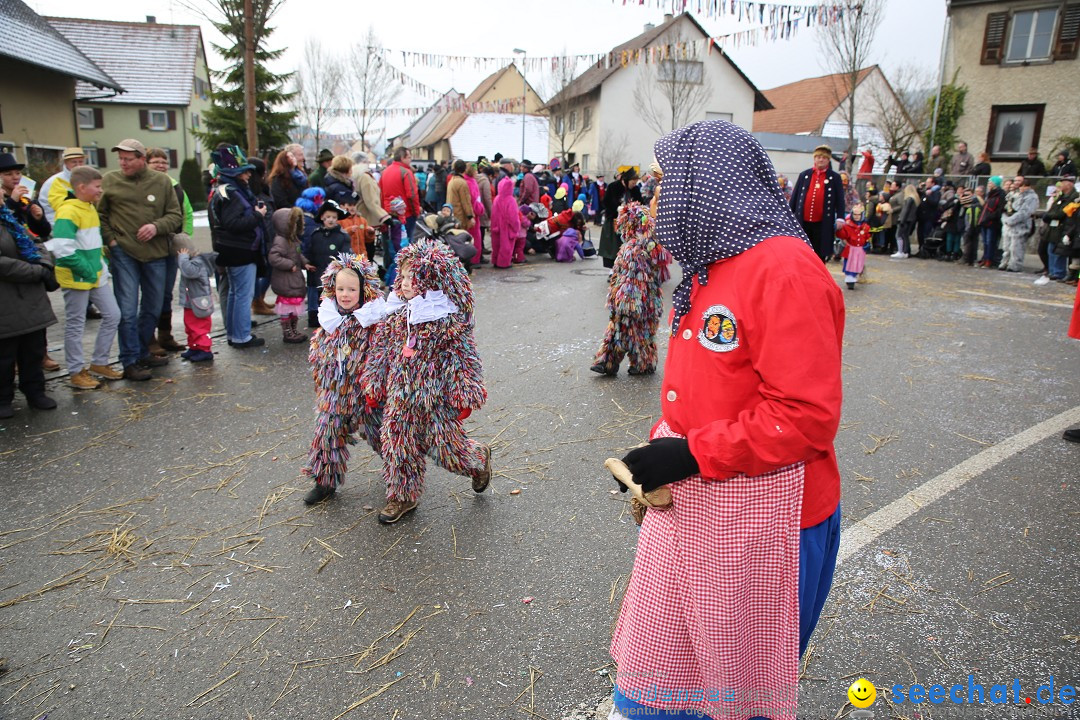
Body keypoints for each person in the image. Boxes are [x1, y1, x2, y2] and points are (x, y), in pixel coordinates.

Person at [608, 121, 843, 720]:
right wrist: (657, 456)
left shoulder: (783, 269)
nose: (657, 201)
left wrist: (690, 455)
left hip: (769, 524)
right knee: (655, 687)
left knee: (735, 697)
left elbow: (806, 416)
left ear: (708, 184)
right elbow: (711, 390)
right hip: (702, 507)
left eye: (668, 183)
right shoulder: (715, 260)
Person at [360, 240, 492, 524]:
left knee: (446, 449)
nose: (405, 283)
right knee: (398, 444)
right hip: (399, 397)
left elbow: (463, 360)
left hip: (436, 401)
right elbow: (380, 351)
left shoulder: (447, 321)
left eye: (413, 277)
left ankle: (477, 459)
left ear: (432, 279)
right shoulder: (396, 315)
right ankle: (402, 496)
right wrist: (374, 383)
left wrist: (464, 395)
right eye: (403, 276)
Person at [301, 255, 389, 505]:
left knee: (383, 436)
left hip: (369, 395)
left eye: (352, 289)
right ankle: (324, 481)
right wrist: (323, 387)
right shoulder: (328, 320)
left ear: (364, 290)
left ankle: (401, 472)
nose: (345, 294)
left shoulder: (374, 321)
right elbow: (318, 356)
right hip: (335, 395)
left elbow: (384, 356)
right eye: (340, 289)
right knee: (326, 432)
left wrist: (377, 386)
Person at [98, 139, 182, 380]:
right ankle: (129, 359)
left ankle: (143, 349)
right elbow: (100, 214)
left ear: (141, 159)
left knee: (153, 306)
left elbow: (175, 215)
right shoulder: (110, 180)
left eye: (128, 159)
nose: (122, 163)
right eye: (120, 159)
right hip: (124, 252)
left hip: (155, 252)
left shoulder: (162, 181)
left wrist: (157, 227)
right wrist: (111, 240)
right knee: (127, 308)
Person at [45, 165, 123, 389]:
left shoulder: (88, 207)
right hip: (77, 278)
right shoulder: (68, 211)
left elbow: (91, 244)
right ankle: (76, 371)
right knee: (76, 324)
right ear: (81, 187)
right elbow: (62, 249)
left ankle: (99, 363)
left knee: (113, 315)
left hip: (95, 275)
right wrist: (88, 270)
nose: (101, 191)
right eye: (97, 186)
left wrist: (101, 267)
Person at [590, 201, 671, 377]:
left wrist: (624, 301)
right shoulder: (652, 243)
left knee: (626, 330)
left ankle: (614, 362)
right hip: (647, 299)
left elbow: (631, 277)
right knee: (638, 331)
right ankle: (618, 363)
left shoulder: (634, 248)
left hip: (632, 299)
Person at [0, 184, 60, 418]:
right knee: (4, 355)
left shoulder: (9, 219)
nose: (3, 195)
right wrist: (35, 271)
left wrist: (43, 263)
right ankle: (3, 397)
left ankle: (35, 391)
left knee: (34, 349)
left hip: (30, 299)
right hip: (6, 299)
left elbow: (36, 243)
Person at [208, 145, 267, 349]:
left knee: (236, 293)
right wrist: (257, 215)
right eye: (245, 171)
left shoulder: (225, 189)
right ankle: (241, 336)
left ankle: (235, 334)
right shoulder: (232, 193)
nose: (249, 174)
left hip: (233, 251)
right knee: (243, 294)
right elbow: (233, 224)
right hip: (240, 251)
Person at [144, 148, 192, 355]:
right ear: (147, 163)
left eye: (163, 162)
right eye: (155, 162)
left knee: (165, 294)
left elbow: (186, 213)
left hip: (172, 246)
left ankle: (166, 335)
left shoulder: (176, 186)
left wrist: (184, 239)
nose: (160, 165)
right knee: (151, 295)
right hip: (151, 247)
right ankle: (148, 338)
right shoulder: (144, 185)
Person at [790, 145, 845, 263]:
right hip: (803, 222)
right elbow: (795, 197)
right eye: (818, 157)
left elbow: (840, 199)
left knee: (819, 253)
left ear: (828, 160)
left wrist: (840, 217)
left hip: (822, 222)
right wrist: (788, 214)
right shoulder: (804, 175)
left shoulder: (834, 177)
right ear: (814, 158)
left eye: (824, 158)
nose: (821, 160)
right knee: (802, 250)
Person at [267, 206, 313, 345]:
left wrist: (305, 263)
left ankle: (293, 330)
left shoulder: (292, 240)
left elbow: (298, 255)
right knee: (287, 307)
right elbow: (274, 257)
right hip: (286, 279)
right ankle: (288, 332)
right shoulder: (280, 241)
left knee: (294, 308)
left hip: (294, 278)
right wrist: (289, 264)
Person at [175, 235, 217, 362]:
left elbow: (188, 271)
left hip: (199, 302)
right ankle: (194, 346)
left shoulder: (197, 263)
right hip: (191, 302)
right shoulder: (191, 261)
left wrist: (182, 258)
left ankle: (204, 349)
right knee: (190, 326)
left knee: (199, 327)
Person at [598, 169, 640, 269]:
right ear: (626, 180)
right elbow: (606, 202)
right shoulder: (613, 187)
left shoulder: (635, 189)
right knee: (613, 247)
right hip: (614, 220)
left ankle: (627, 269)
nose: (634, 185)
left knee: (628, 247)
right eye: (632, 183)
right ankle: (613, 270)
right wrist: (616, 208)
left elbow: (640, 202)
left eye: (635, 183)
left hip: (630, 223)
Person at [39, 147, 86, 224]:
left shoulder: (88, 179)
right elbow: (46, 208)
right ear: (65, 162)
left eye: (80, 161)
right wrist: (55, 227)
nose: (78, 165)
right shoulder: (53, 182)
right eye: (74, 162)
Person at [1000, 176, 1037, 272]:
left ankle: (1015, 265)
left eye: (1023, 186)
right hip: (1009, 225)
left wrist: (1011, 220)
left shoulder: (1031, 197)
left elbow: (1025, 212)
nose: (1021, 188)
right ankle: (1005, 262)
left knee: (1016, 248)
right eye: (1020, 186)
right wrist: (1006, 219)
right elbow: (1008, 208)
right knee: (1007, 247)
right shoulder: (1016, 195)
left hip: (1021, 226)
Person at [1045, 175, 1078, 282]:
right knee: (1051, 249)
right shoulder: (1061, 196)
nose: (1061, 185)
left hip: (1064, 226)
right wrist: (1049, 215)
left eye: (1063, 182)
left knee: (1060, 251)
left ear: (1069, 184)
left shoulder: (1074, 196)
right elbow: (1053, 209)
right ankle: (1053, 271)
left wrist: (1050, 215)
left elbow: (1063, 212)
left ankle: (1059, 272)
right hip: (1054, 227)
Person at [489, 177, 524, 269]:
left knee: (496, 245)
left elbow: (493, 214)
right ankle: (504, 263)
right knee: (506, 247)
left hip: (496, 227)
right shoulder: (511, 200)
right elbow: (513, 217)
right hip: (507, 228)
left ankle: (496, 261)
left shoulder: (496, 198)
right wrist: (516, 227)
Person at [835, 201, 871, 289]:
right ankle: (849, 278)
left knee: (858, 263)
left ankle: (854, 276)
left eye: (858, 215)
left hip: (860, 249)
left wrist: (868, 243)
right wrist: (839, 230)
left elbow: (867, 236)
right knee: (849, 264)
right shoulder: (847, 225)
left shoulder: (866, 226)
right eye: (855, 214)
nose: (856, 216)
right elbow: (843, 235)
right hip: (851, 248)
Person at [978, 176, 1006, 267]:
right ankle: (985, 258)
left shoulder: (1000, 194)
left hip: (992, 222)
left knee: (990, 242)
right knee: (985, 242)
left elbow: (999, 209)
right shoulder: (989, 194)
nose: (989, 184)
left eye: (990, 182)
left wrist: (990, 216)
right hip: (984, 221)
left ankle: (989, 260)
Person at [446, 160, 475, 234]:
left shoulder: (452, 180)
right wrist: (470, 216)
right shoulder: (462, 183)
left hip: (451, 214)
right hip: (460, 216)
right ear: (464, 169)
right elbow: (466, 201)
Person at [892, 183, 920, 259]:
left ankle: (901, 251)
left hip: (905, 219)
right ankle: (906, 251)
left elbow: (905, 210)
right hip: (911, 219)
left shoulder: (909, 199)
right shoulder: (915, 199)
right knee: (905, 236)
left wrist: (901, 220)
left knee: (899, 235)